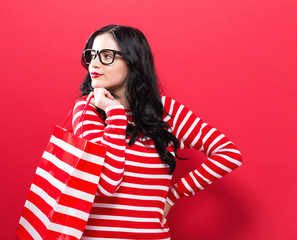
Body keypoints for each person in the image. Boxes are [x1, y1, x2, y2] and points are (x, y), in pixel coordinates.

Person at [72, 25, 243, 240]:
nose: (94, 64)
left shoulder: (167, 112)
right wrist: (114, 112)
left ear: (133, 61)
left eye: (107, 55)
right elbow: (107, 183)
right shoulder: (87, 109)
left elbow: (229, 154)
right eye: (92, 54)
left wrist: (174, 195)